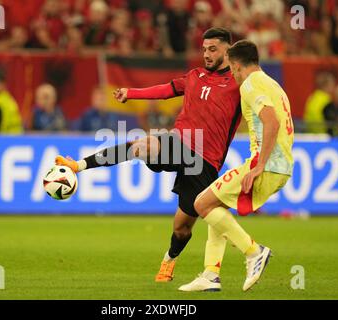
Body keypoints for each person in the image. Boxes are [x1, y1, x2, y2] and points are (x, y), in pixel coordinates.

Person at [56, 27, 241, 283]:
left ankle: (169, 260)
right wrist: (131, 93)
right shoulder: (195, 75)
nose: (207, 55)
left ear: (227, 50)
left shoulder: (240, 82)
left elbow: (260, 108)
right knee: (143, 145)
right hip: (179, 142)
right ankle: (78, 165)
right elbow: (166, 90)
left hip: (206, 161)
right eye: (204, 49)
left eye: (213, 49)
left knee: (182, 227)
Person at [179, 40, 294, 292]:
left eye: (231, 67)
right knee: (213, 203)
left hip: (266, 163)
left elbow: (271, 123)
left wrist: (259, 165)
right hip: (282, 164)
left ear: (237, 64)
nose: (231, 72)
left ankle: (254, 251)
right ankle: (211, 274)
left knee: (200, 203)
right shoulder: (272, 84)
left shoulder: (251, 84)